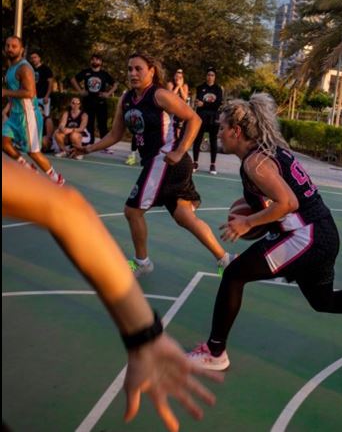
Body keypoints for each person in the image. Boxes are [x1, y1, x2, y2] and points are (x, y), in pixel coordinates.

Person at [188, 94, 342, 371]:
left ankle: (215, 351)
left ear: (236, 131)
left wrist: (248, 223)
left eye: (222, 127)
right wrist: (261, 219)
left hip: (306, 236)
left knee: (234, 274)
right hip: (322, 232)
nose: (219, 132)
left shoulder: (254, 163)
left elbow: (288, 203)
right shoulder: (267, 151)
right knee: (323, 300)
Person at [2, 157, 223, 432]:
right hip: (160, 164)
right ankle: (161, 259)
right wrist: (144, 335)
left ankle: (208, 257)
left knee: (150, 212)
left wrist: (144, 335)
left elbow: (64, 209)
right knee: (140, 212)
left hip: (167, 163)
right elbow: (65, 208)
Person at [75, 52, 235, 276]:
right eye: (129, 68)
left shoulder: (159, 95)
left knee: (132, 211)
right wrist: (88, 148)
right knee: (184, 216)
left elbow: (194, 119)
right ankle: (225, 259)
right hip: (159, 163)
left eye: (138, 68)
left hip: (166, 159)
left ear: (151, 71)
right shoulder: (126, 99)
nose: (132, 73)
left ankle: (142, 263)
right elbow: (114, 134)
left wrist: (179, 151)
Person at [2, 36, 65, 185]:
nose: (10, 49)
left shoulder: (25, 68)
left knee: (33, 152)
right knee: (4, 142)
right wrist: (6, 108)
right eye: (8, 46)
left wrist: (5, 92)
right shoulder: (10, 68)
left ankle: (57, 180)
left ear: (21, 49)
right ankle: (29, 169)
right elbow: (12, 92)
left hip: (28, 115)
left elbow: (29, 93)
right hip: (15, 115)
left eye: (14, 46)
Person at [70, 53, 118, 149]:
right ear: (90, 61)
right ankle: (89, 143)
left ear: (101, 62)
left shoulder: (104, 74)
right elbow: (73, 80)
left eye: (97, 60)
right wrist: (80, 91)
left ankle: (105, 145)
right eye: (93, 59)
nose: (95, 61)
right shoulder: (86, 72)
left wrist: (108, 94)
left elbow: (115, 84)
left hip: (101, 103)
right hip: (88, 102)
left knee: (102, 124)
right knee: (89, 123)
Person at [192, 68, 223, 175]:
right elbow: (198, 102)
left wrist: (204, 104)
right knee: (198, 139)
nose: (210, 76)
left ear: (215, 77)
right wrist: (199, 104)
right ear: (206, 76)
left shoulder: (218, 89)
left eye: (212, 75)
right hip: (201, 117)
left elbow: (217, 104)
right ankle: (195, 163)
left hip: (213, 118)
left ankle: (212, 164)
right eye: (208, 74)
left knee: (213, 140)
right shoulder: (200, 88)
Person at [29, 50, 54, 117]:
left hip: (44, 98)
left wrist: (47, 96)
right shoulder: (31, 69)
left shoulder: (46, 69)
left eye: (35, 57)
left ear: (39, 58)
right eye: (32, 58)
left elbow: (51, 83)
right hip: (34, 97)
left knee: (45, 116)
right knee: (33, 117)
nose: (33, 59)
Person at [167, 68, 190, 140]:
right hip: (172, 110)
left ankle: (179, 145)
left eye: (180, 77)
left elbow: (185, 98)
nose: (178, 78)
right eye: (176, 76)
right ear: (174, 76)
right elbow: (170, 97)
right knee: (171, 129)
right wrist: (177, 86)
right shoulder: (170, 84)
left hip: (181, 110)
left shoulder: (185, 86)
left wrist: (180, 87)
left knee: (180, 129)